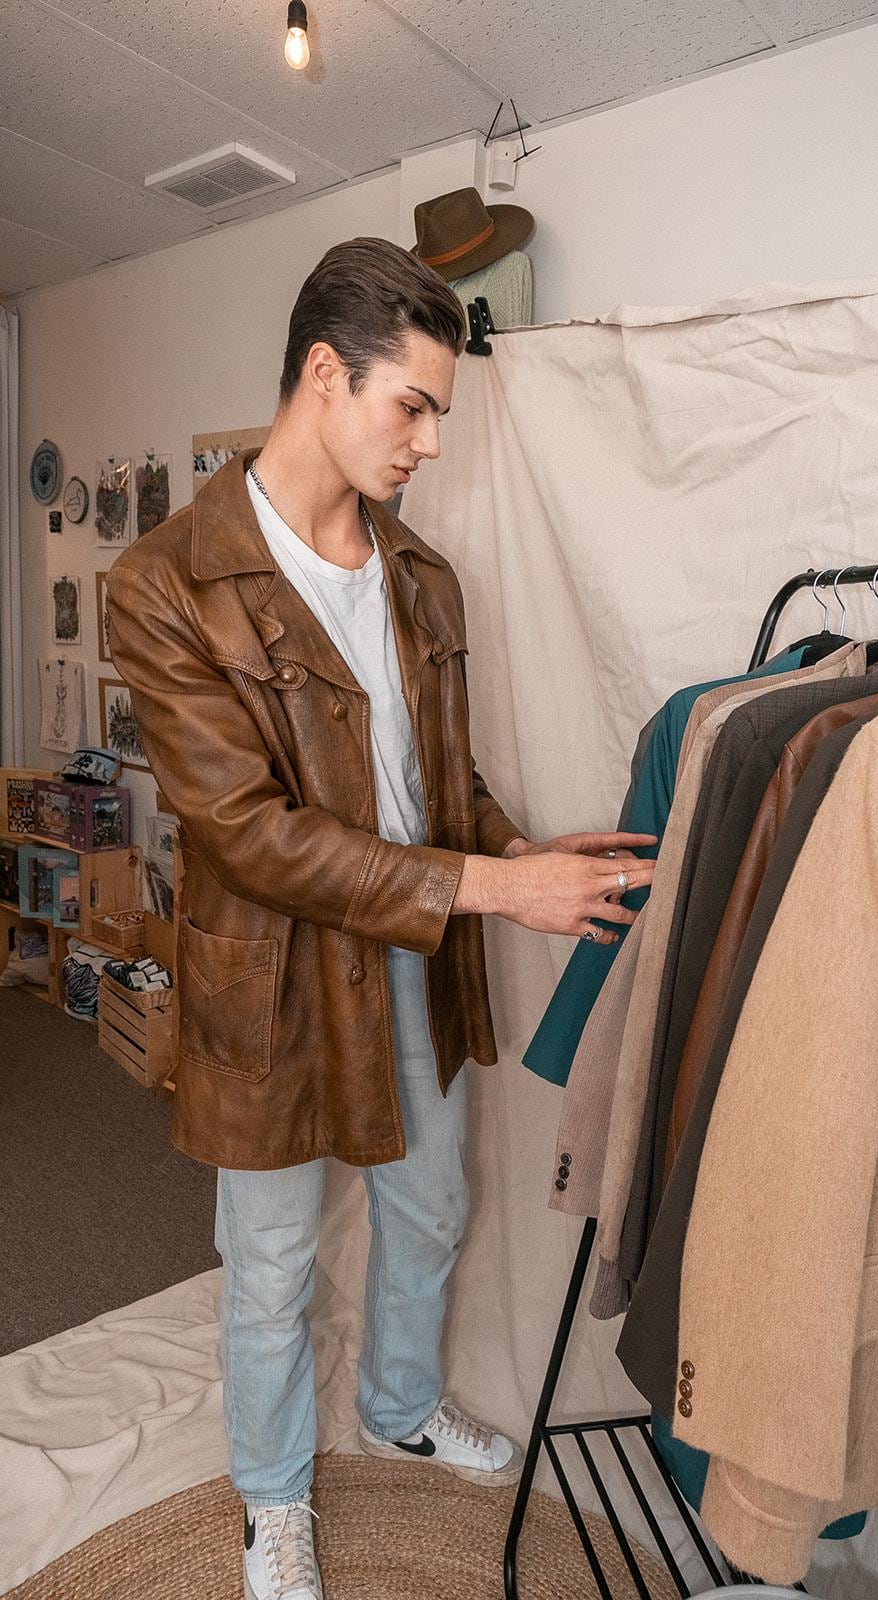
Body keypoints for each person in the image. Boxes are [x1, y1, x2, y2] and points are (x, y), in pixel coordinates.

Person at [105, 237, 655, 1600]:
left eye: (439, 416)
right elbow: (249, 834)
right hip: (270, 992)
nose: (425, 442)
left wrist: (521, 851)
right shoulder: (163, 583)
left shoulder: (423, 577)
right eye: (409, 405)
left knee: (433, 1209)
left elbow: (433, 776)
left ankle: (402, 1405)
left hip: (414, 960)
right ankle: (275, 1502)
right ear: (321, 373)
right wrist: (494, 887)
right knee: (273, 1265)